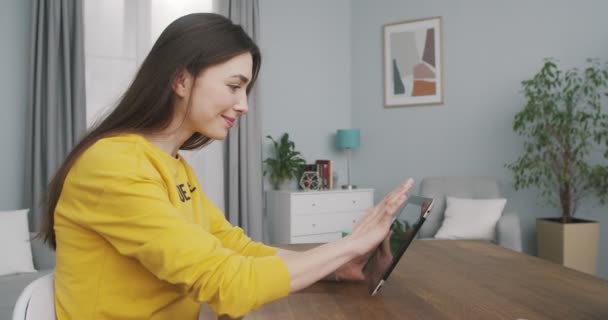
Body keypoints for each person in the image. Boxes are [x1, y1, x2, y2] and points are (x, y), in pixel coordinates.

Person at [39, 13, 415, 319]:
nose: (244, 105)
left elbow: (234, 247)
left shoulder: (174, 165)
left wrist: (334, 266)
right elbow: (227, 283)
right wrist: (350, 247)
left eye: (245, 90)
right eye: (234, 86)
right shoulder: (112, 165)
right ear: (181, 79)